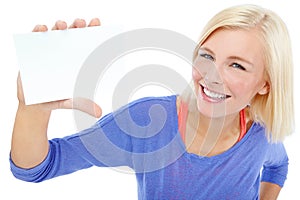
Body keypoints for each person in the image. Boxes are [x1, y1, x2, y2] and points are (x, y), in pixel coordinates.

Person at [9, 4, 294, 200]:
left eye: (237, 66)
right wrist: (32, 107)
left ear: (265, 84)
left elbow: (278, 166)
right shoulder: (147, 122)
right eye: (207, 56)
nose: (212, 76)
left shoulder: (262, 134)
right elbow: (35, 168)